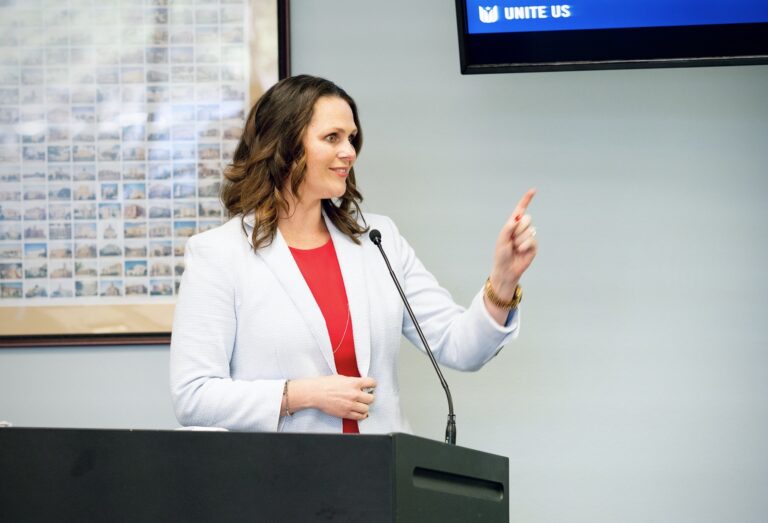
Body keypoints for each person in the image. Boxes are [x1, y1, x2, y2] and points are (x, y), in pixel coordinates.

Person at [170, 75, 538, 434]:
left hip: (379, 480)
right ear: (283, 146)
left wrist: (504, 280)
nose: (349, 152)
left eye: (351, 138)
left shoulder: (379, 239)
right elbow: (194, 396)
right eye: (332, 138)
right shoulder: (219, 254)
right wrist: (300, 393)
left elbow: (460, 347)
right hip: (278, 482)